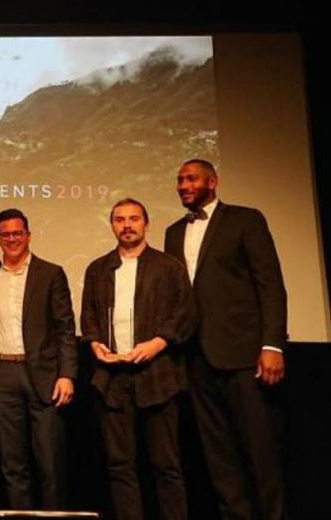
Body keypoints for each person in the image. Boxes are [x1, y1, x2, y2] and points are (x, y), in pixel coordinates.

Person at [165, 159, 287, 520]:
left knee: (260, 453)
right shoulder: (173, 232)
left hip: (244, 355)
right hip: (196, 359)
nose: (184, 185)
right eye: (180, 180)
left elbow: (270, 284)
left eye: (191, 179)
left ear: (212, 182)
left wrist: (272, 344)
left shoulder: (245, 220)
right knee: (219, 458)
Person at [82, 198, 195, 520]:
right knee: (120, 466)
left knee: (166, 466)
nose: (127, 225)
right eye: (120, 219)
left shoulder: (168, 266)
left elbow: (186, 313)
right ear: (112, 225)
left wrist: (158, 343)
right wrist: (95, 344)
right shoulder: (98, 269)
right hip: (112, 378)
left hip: (158, 376)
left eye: (133, 218)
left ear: (146, 223)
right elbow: (89, 316)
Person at [0, 208, 77, 509]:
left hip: (45, 375)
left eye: (17, 233)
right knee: (13, 463)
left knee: (50, 462)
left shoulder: (50, 273)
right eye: (6, 234)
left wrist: (67, 375)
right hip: (1, 372)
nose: (12, 239)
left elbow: (65, 327)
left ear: (28, 235)